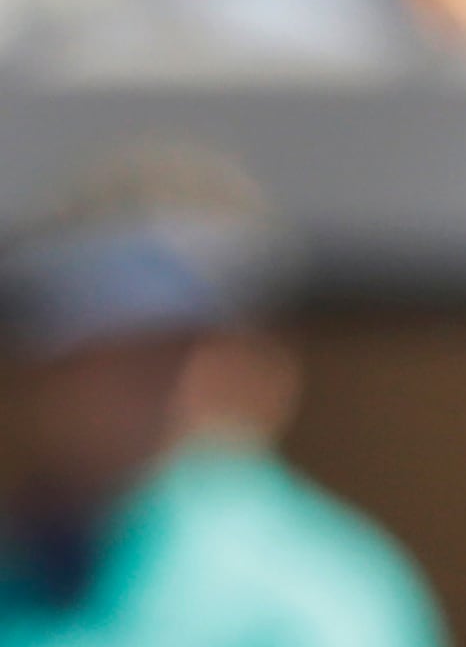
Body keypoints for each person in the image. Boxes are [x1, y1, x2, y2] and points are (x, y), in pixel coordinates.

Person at [0, 146, 442, 647]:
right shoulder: (28, 557)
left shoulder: (315, 595)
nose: (132, 393)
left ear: (262, 369)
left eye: (167, 356)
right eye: (92, 354)